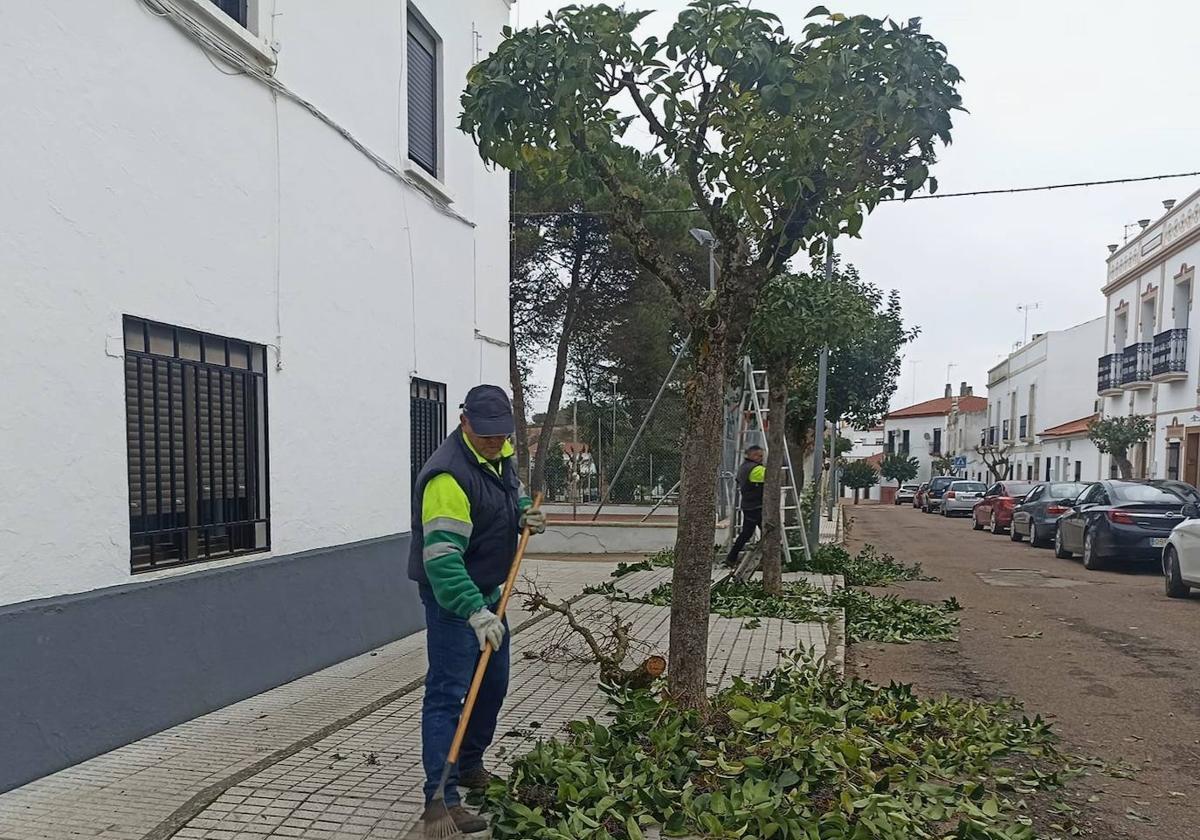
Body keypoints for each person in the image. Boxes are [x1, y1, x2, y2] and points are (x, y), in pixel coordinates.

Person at [408, 384, 546, 834]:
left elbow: (510, 490)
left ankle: (469, 764)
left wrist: (523, 512)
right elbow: (442, 559)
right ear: (463, 421)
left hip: (490, 594)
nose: (495, 441)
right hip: (453, 600)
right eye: (486, 434)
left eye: (501, 434)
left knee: (492, 684)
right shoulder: (446, 478)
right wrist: (474, 610)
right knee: (448, 694)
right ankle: (442, 798)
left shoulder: (500, 454)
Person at [725, 445, 765, 567]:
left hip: (749, 504)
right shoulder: (756, 469)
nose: (761, 458)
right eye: (758, 455)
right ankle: (732, 557)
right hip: (756, 505)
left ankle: (732, 557)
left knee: (748, 533)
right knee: (765, 532)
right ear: (751, 455)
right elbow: (772, 477)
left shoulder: (743, 467)